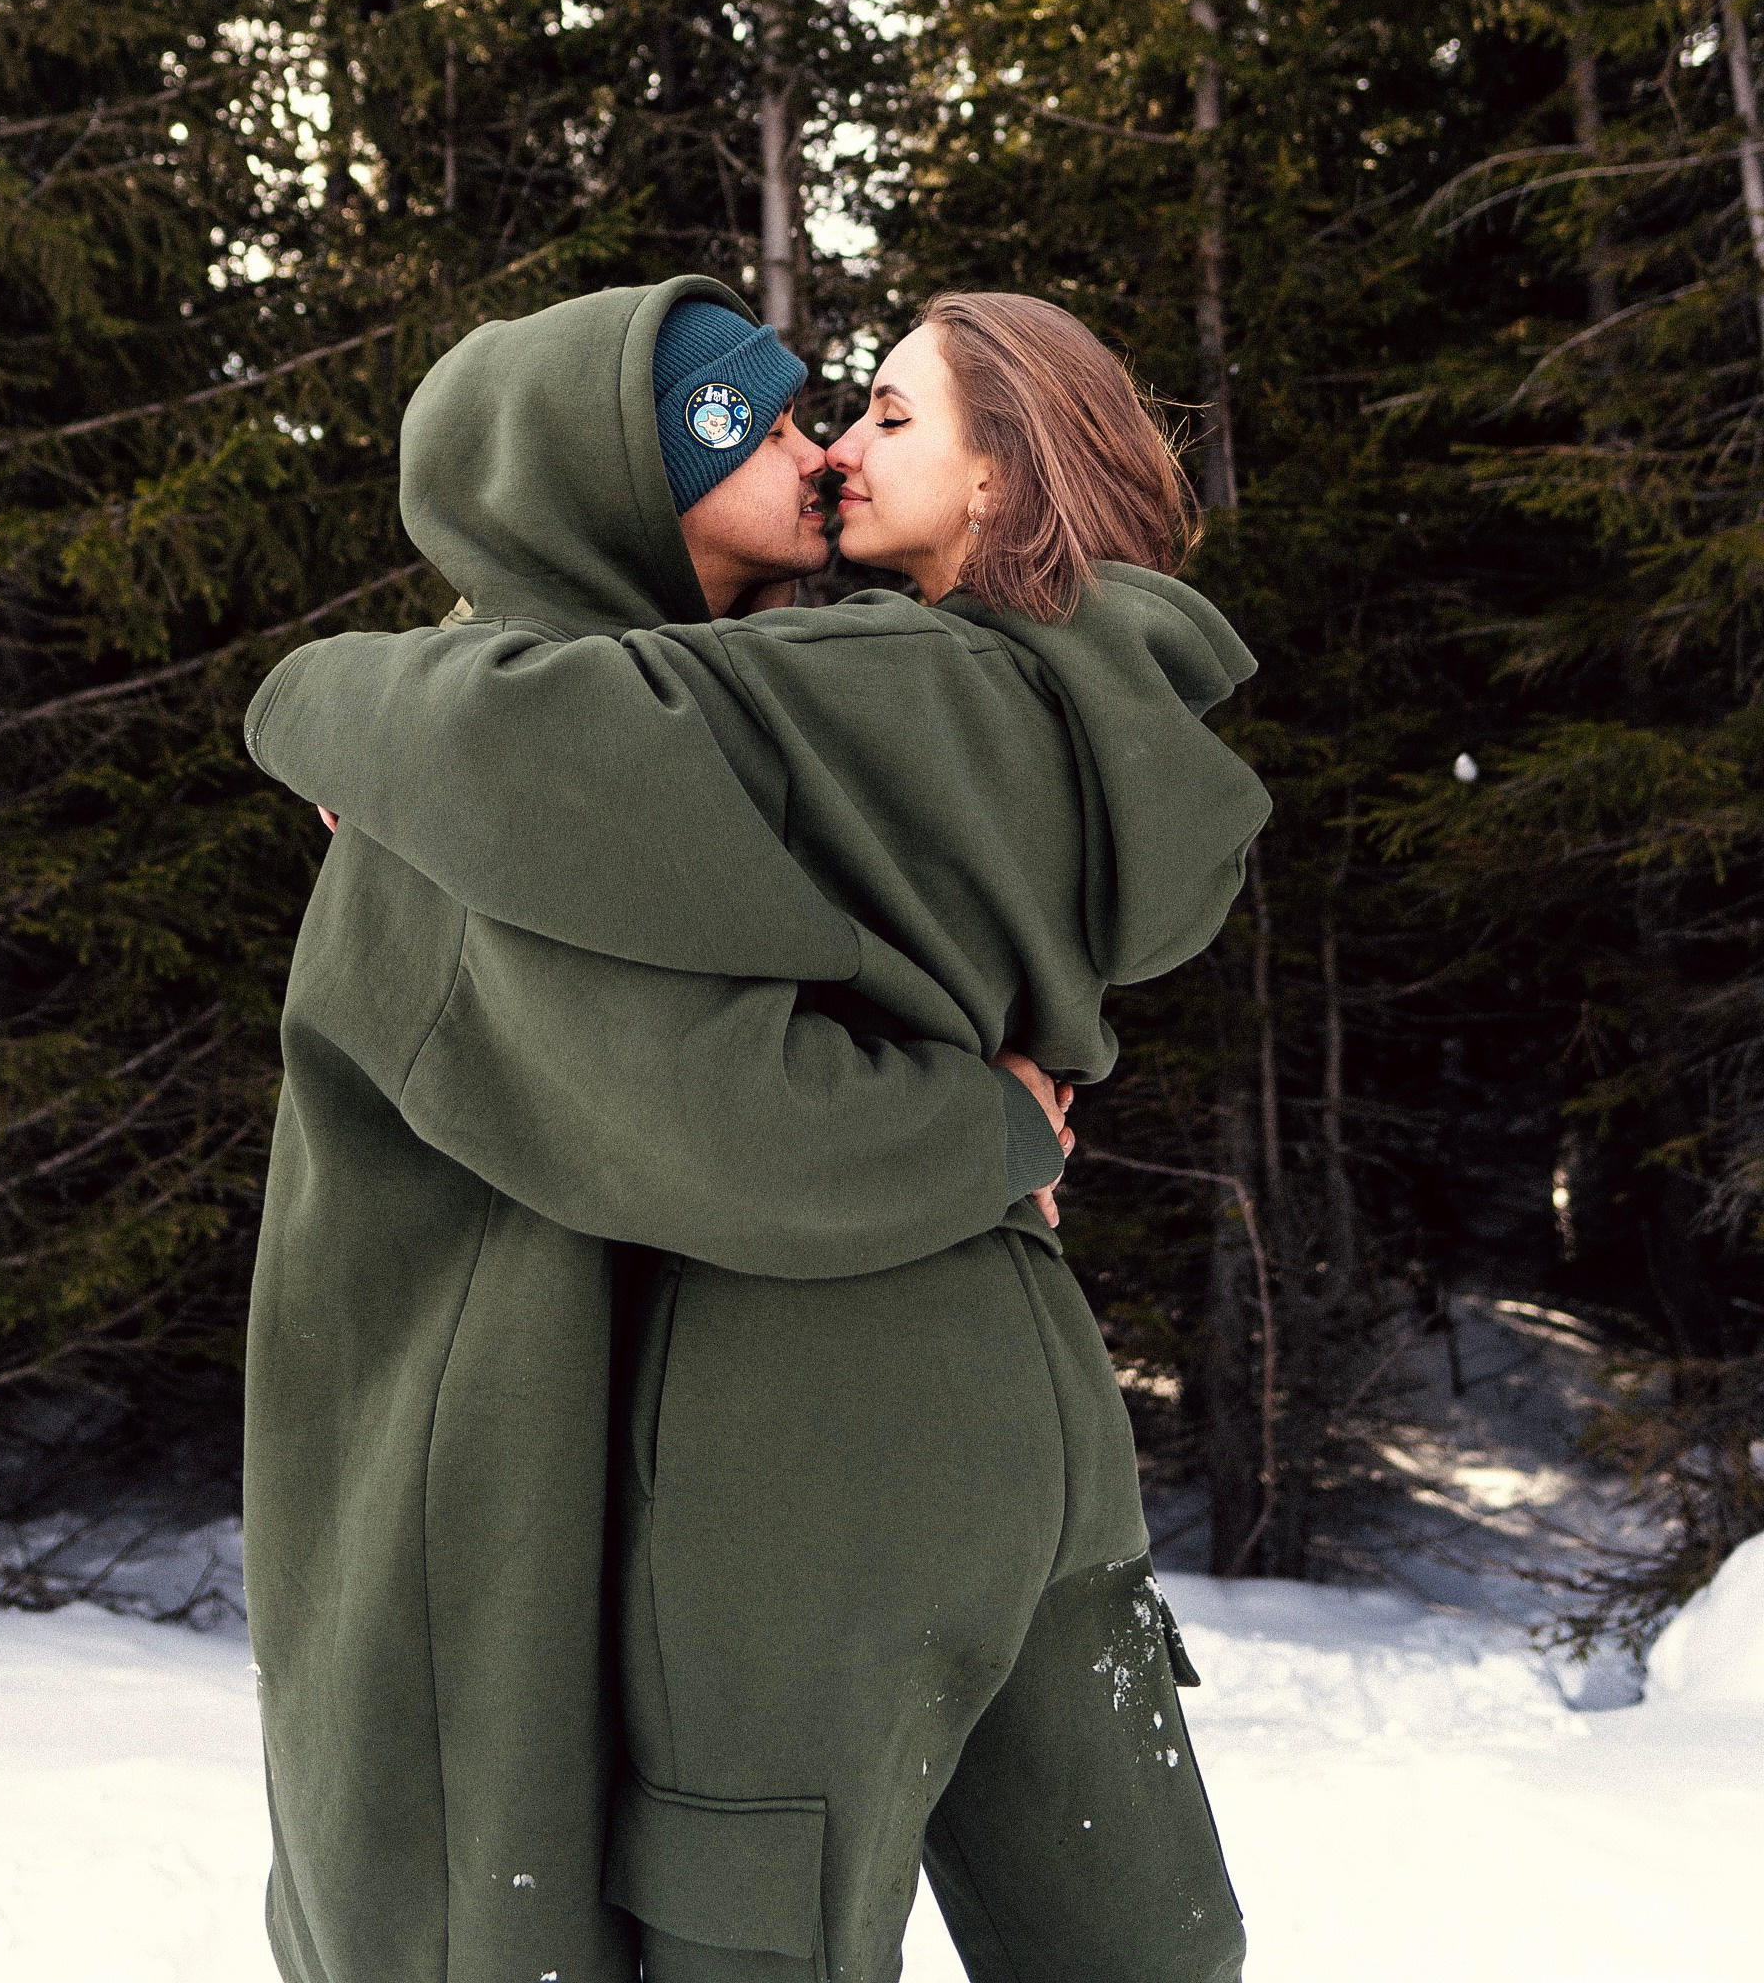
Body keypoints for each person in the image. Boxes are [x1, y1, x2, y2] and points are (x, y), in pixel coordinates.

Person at [255, 284, 1268, 1983]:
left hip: (771, 1424)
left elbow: (713, 1115)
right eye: (769, 423)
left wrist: (332, 700)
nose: (818, 450)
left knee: (729, 1925)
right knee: (1131, 1928)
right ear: (616, 483)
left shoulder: (683, 735)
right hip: (598, 1399)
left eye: (862, 413)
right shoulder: (1018, 693)